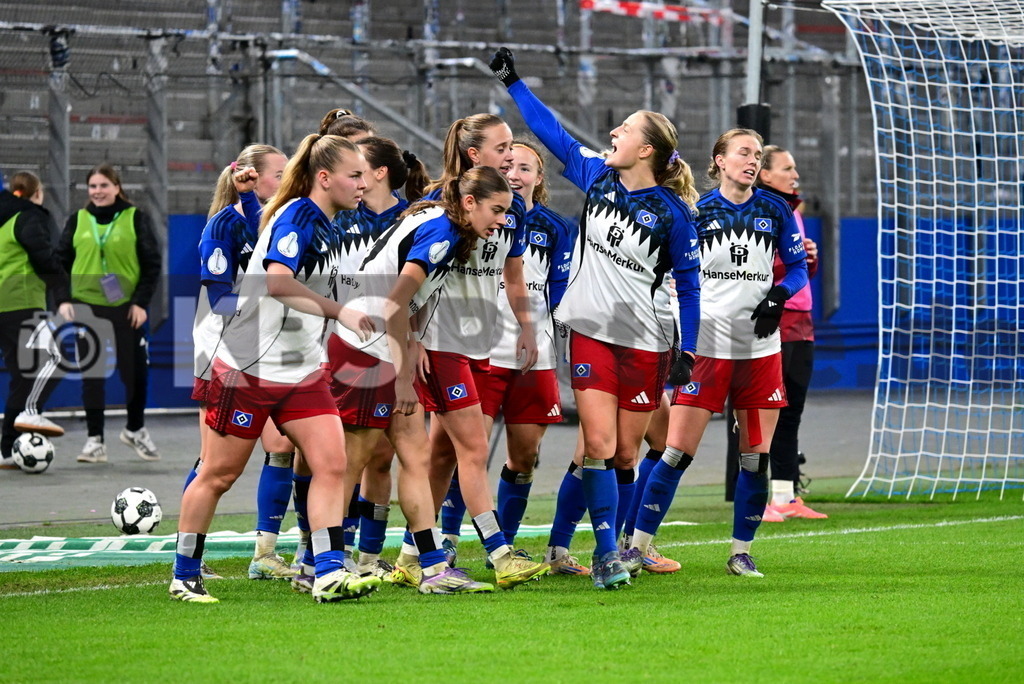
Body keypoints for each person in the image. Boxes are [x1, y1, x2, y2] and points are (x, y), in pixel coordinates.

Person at [490, 47, 701, 590]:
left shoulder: (674, 215)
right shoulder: (596, 177)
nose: (614, 132)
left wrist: (689, 349)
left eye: (625, 129)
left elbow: (691, 288)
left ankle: (620, 546)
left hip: (646, 345)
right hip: (590, 338)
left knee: (626, 452)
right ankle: (607, 554)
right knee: (599, 446)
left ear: (646, 149)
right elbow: (550, 130)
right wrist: (513, 82)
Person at [170, 133, 378, 604]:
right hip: (248, 365)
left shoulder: (331, 220)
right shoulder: (298, 214)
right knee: (218, 474)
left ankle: (326, 571)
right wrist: (338, 311)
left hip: (300, 368)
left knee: (331, 463)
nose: (362, 184)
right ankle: (185, 574)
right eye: (354, 175)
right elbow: (279, 282)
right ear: (324, 178)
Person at [626, 129, 809, 578]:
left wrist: (778, 295)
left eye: (757, 155)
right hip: (707, 350)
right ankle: (637, 546)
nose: (751, 160)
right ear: (720, 160)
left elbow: (799, 268)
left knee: (755, 456)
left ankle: (740, 553)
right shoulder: (696, 211)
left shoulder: (776, 209)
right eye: (743, 153)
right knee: (675, 453)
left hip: (761, 353)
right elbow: (666, 273)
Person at [329, 166, 516, 593]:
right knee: (353, 460)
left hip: (378, 345)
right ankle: (326, 564)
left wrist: (412, 344)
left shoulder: (443, 220)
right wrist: (403, 373)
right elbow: (393, 303)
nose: (502, 220)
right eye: (497, 210)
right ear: (469, 202)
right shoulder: (444, 235)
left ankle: (432, 569)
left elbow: (406, 301)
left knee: (415, 458)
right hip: (364, 350)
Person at [398, 111, 549, 589]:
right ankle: (500, 553)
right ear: (473, 154)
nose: (512, 154)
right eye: (502, 148)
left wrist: (526, 328)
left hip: (478, 343)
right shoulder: (438, 209)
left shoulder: (511, 208)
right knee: (474, 447)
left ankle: (408, 556)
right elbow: (403, 284)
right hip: (440, 343)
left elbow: (513, 272)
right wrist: (411, 341)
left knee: (445, 452)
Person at [438, 141, 573, 559]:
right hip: (481, 351)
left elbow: (559, 293)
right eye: (508, 164)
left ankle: (507, 543)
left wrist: (537, 329)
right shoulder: (477, 218)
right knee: (468, 451)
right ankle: (448, 540)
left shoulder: (557, 228)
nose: (515, 173)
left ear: (539, 177)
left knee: (525, 455)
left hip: (535, 355)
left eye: (525, 167)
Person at [187, 145, 296, 580]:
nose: (286, 181)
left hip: (264, 349)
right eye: (279, 174)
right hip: (223, 351)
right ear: (251, 178)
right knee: (213, 462)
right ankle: (190, 558)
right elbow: (219, 300)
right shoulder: (224, 224)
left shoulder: (273, 222)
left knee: (282, 445)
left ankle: (265, 553)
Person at [327, 135, 430, 581]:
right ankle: (323, 556)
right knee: (344, 459)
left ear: (380, 172)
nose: (352, 176)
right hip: (355, 351)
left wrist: (417, 340)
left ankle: (391, 558)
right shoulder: (339, 216)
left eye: (359, 168)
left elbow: (415, 293)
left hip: (391, 351)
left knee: (398, 455)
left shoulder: (409, 223)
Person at [56, 164, 162, 464]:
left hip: (126, 307)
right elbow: (59, 262)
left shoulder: (135, 217)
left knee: (136, 374)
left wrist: (141, 303)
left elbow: (152, 263)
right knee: (93, 375)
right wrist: (63, 299)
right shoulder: (78, 220)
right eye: (93, 187)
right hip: (86, 306)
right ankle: (95, 441)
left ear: (117, 187)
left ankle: (135, 429)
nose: (98, 192)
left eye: (104, 185)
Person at [756, 145, 827, 521]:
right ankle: (753, 494)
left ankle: (785, 495)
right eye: (788, 167)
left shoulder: (792, 210)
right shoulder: (760, 209)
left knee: (791, 409)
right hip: (774, 320)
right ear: (765, 175)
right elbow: (757, 267)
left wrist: (808, 259)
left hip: (801, 318)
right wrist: (791, 258)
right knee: (763, 408)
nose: (795, 173)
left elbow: (798, 273)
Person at [0, 172, 70, 469]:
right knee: (58, 356)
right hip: (23, 301)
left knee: (23, 375)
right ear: (36, 193)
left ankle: (6, 450)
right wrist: (63, 296)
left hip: (4, 306)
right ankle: (29, 412)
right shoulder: (29, 216)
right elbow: (44, 258)